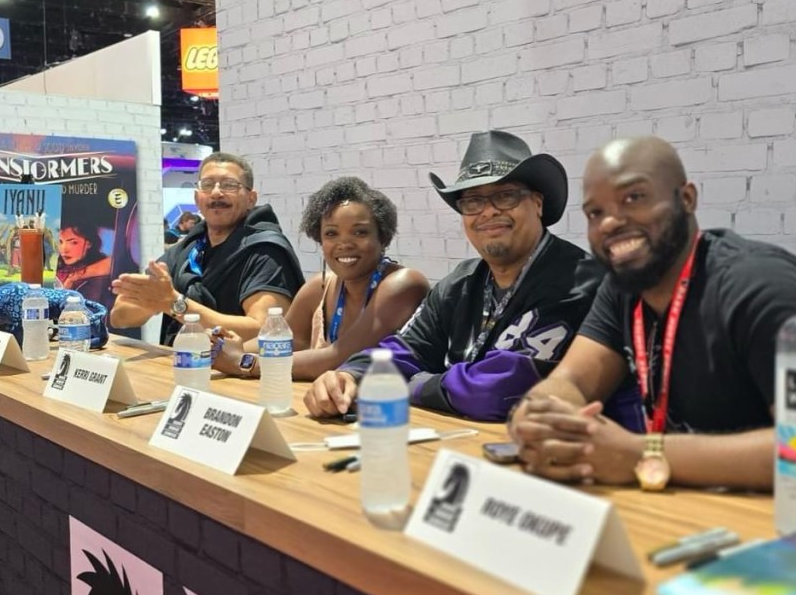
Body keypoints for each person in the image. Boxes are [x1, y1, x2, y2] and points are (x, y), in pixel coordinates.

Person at [508, 136, 796, 502]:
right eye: (595, 213)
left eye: (633, 198)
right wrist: (538, 417)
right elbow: (572, 381)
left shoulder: (764, 287)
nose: (611, 222)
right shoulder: (624, 289)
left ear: (687, 199)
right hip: (750, 511)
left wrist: (639, 454)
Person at [304, 130, 608, 423]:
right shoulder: (460, 283)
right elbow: (406, 349)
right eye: (473, 201)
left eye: (505, 196)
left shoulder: (577, 282)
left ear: (537, 203)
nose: (488, 212)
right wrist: (349, 376)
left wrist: (410, 385)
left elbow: (493, 391)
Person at [212, 176, 429, 380]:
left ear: (383, 236)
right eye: (331, 234)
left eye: (360, 232)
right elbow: (287, 342)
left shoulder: (404, 284)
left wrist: (243, 362)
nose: (344, 244)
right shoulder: (320, 287)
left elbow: (340, 358)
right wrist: (220, 348)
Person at [111, 151, 304, 345]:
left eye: (229, 185)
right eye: (207, 185)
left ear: (251, 199)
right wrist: (155, 299)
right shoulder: (187, 249)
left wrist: (174, 303)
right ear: (197, 198)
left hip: (235, 364)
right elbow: (119, 317)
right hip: (178, 361)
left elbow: (266, 331)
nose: (216, 193)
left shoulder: (266, 251)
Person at [56, 223, 111, 307]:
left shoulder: (97, 268)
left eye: (74, 242)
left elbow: (113, 262)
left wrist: (74, 277)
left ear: (89, 244)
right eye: (60, 242)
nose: (64, 250)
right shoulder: (56, 264)